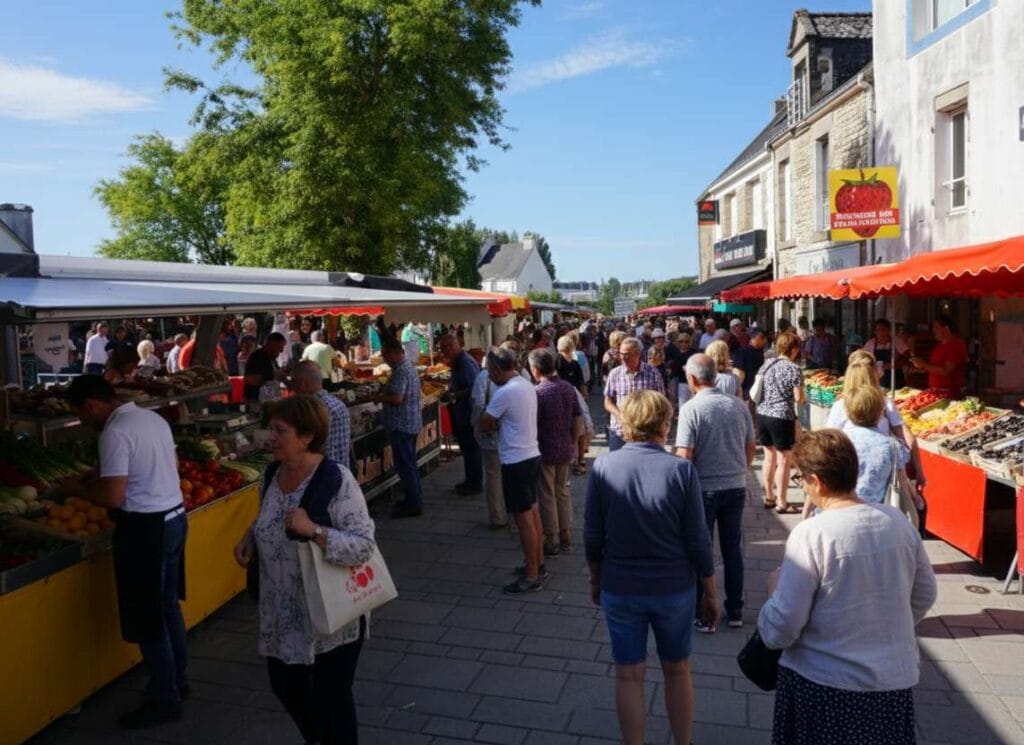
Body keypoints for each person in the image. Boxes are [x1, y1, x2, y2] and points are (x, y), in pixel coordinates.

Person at [758, 429, 937, 745]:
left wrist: (773, 595)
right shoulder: (897, 522)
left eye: (803, 480)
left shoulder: (812, 534)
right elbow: (925, 593)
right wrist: (884, 626)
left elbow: (782, 628)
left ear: (818, 482)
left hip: (825, 684)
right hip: (891, 684)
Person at [232, 396, 375, 745]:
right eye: (271, 429)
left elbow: (363, 545)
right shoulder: (271, 473)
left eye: (281, 430)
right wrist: (251, 535)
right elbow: (271, 516)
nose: (271, 437)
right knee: (286, 688)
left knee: (333, 701)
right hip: (282, 612)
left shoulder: (334, 478)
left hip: (330, 614)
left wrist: (315, 530)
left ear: (307, 436)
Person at [584, 390, 717, 745]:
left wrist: (596, 579)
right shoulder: (682, 471)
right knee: (677, 669)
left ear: (626, 425)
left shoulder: (604, 467)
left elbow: (593, 534)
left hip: (620, 586)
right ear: (664, 424)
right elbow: (698, 539)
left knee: (628, 676)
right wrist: (711, 590)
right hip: (673, 588)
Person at [65, 376, 188, 728]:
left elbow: (113, 499)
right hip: (176, 518)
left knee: (147, 617)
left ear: (90, 406)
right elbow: (170, 467)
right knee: (167, 606)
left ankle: (166, 699)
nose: (84, 423)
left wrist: (77, 489)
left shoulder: (114, 433)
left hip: (145, 530)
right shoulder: (152, 418)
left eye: (81, 416)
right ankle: (178, 680)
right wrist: (101, 472)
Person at [675, 354, 755, 632]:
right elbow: (751, 445)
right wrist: (740, 470)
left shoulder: (691, 409)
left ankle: (703, 612)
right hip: (735, 487)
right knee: (733, 550)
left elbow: (684, 455)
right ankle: (735, 611)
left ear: (693, 379)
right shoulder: (737, 405)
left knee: (702, 550)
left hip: (704, 489)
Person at [479, 346, 544, 593]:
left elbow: (485, 422)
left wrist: (488, 423)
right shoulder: (526, 383)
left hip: (516, 460)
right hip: (531, 454)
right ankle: (537, 563)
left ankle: (531, 575)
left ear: (496, 369)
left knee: (523, 519)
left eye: (488, 371)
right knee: (533, 513)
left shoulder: (504, 392)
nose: (488, 375)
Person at [530, 348, 583, 558]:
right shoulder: (568, 388)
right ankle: (566, 534)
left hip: (545, 449)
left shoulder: (538, 393)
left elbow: (533, 424)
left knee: (547, 494)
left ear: (535, 370)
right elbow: (577, 418)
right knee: (563, 492)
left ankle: (551, 538)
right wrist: (573, 442)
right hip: (565, 447)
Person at [832, 385, 910, 504]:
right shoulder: (893, 447)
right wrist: (916, 498)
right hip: (879, 510)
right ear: (880, 413)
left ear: (848, 412)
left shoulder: (836, 443)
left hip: (842, 507)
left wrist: (807, 511)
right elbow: (902, 481)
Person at [756, 333, 805, 514]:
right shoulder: (794, 369)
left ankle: (769, 497)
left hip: (762, 414)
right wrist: (802, 398)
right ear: (793, 349)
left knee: (769, 456)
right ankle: (782, 502)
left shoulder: (766, 365)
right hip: (782, 416)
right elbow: (799, 397)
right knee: (784, 459)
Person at [375, 339, 424, 518]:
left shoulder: (401, 371)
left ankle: (413, 504)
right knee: (409, 463)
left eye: (385, 354)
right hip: (408, 423)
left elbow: (396, 398)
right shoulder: (404, 368)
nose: (384, 358)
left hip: (402, 425)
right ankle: (413, 498)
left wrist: (380, 397)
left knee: (406, 465)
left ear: (395, 353)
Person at [439, 333, 483, 496]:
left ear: (452, 346)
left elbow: (473, 388)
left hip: (468, 413)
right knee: (467, 448)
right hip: (462, 412)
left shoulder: (465, 363)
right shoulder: (459, 361)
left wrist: (454, 395)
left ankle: (475, 483)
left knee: (471, 448)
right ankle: (470, 480)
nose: (443, 352)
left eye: (444, 349)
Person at [603, 338, 665, 452]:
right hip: (620, 432)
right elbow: (608, 401)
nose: (623, 357)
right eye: (621, 354)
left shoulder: (653, 373)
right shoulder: (614, 374)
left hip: (645, 433)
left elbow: (661, 402)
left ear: (637, 354)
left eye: (626, 354)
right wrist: (621, 415)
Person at [289, 361, 351, 469]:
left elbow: (305, 446)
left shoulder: (312, 409)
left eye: (293, 382)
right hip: (341, 472)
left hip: (321, 474)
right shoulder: (338, 404)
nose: (291, 387)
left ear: (302, 383)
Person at [471, 351, 508, 530]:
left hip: (491, 434)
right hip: (510, 435)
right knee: (508, 474)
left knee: (493, 475)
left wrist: (476, 426)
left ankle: (497, 516)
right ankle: (513, 513)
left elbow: (478, 405)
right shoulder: (518, 377)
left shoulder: (482, 378)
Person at [910, 314, 968, 395]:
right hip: (936, 391)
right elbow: (935, 367)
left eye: (936, 327)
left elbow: (946, 371)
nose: (933, 330)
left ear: (946, 328)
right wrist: (921, 368)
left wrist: (924, 365)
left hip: (951, 392)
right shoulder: (939, 345)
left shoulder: (956, 344)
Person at [243, 332, 287, 412]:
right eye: (279, 348)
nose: (281, 351)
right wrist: (273, 375)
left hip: (271, 401)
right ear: (271, 344)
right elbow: (251, 379)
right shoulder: (257, 356)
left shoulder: (272, 359)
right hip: (257, 401)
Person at [862, 318, 910, 390]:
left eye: (883, 330)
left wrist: (895, 364)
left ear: (889, 331)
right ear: (875, 332)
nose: (881, 333)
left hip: (896, 378)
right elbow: (862, 360)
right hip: (877, 379)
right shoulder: (870, 344)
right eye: (878, 330)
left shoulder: (896, 341)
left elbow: (908, 357)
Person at [736, 329, 767, 401]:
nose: (765, 342)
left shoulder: (760, 352)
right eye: (763, 339)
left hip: (757, 389)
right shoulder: (743, 351)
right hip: (747, 389)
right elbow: (740, 373)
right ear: (757, 338)